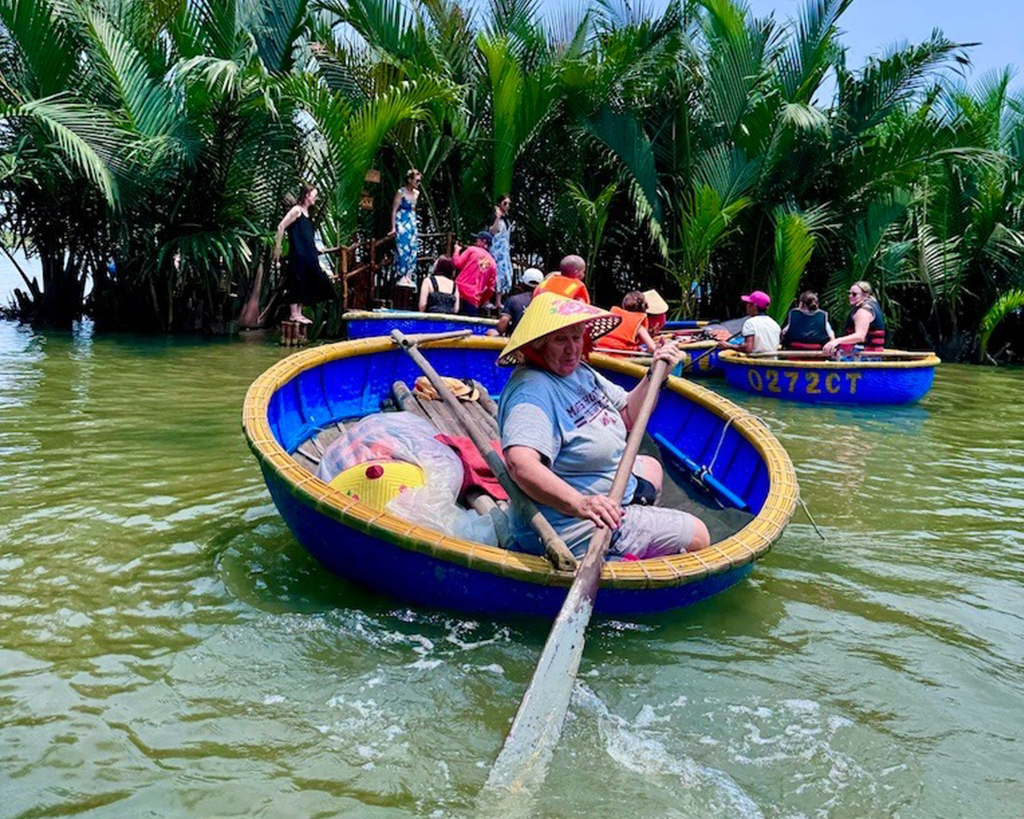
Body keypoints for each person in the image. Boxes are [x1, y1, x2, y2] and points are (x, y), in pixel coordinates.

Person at [497, 291, 711, 560]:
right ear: (537, 346)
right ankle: (620, 546)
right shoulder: (532, 390)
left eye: (576, 336)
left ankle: (638, 528)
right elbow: (520, 464)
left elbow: (628, 415)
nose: (572, 348)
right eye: (560, 339)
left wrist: (655, 372)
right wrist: (581, 504)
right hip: (570, 523)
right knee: (699, 535)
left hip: (604, 486)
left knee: (653, 468)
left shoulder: (579, 372)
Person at [273, 184, 335, 324]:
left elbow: (306, 235)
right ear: (307, 195)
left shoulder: (307, 213)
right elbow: (281, 226)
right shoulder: (296, 210)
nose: (316, 198)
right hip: (298, 253)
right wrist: (278, 247)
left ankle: (299, 313)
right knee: (296, 280)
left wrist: (315, 249)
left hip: (308, 254)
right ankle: (293, 313)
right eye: (314, 195)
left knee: (309, 278)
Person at [823, 280, 886, 355]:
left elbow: (860, 336)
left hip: (865, 356)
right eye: (849, 293)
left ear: (865, 295)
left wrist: (836, 341)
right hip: (868, 354)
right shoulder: (871, 305)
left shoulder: (863, 311)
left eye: (854, 294)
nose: (850, 296)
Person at [718, 290, 780, 354]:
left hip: (756, 360)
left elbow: (748, 348)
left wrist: (729, 346)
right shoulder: (774, 323)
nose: (746, 306)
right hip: (770, 360)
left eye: (748, 303)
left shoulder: (750, 323)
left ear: (754, 306)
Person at [454, 231, 500, 316]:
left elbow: (457, 264)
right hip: (473, 298)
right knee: (469, 327)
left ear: (484, 241)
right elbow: (491, 289)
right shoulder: (493, 264)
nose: (476, 241)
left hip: (458, 291)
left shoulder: (472, 250)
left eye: (478, 239)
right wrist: (481, 300)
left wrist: (456, 251)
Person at [389, 168, 421, 288]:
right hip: (402, 220)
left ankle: (409, 275)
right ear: (410, 180)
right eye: (416, 181)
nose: (418, 184)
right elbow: (394, 210)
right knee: (403, 248)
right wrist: (393, 227)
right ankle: (401, 274)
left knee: (413, 248)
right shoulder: (401, 192)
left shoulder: (416, 194)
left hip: (412, 221)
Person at [490, 267, 543, 335]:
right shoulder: (545, 302)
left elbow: (503, 323)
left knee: (491, 333)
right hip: (538, 341)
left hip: (517, 341)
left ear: (522, 284)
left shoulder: (514, 300)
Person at [489, 194, 514, 298]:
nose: (507, 205)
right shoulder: (495, 217)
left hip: (504, 251)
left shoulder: (507, 219)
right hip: (496, 250)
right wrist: (497, 218)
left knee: (504, 274)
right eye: (505, 203)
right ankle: (490, 299)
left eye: (509, 204)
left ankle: (498, 300)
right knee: (495, 274)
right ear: (499, 204)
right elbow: (492, 231)